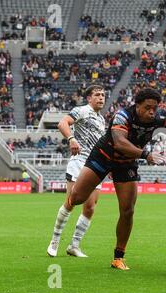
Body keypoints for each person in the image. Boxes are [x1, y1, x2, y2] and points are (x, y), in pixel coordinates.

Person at [67, 88, 166, 270]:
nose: (151, 112)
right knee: (77, 199)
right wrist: (146, 154)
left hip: (126, 164)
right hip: (103, 157)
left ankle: (118, 257)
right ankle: (69, 201)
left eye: (155, 108)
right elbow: (120, 143)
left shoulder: (158, 120)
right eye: (147, 107)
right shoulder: (122, 116)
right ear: (137, 105)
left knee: (128, 210)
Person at [47, 85, 106, 258]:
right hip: (79, 162)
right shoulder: (81, 111)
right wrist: (71, 138)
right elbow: (62, 123)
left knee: (90, 208)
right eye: (97, 95)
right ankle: (55, 240)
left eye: (103, 95)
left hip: (96, 165)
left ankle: (74, 245)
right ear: (89, 98)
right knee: (71, 202)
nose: (101, 98)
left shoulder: (101, 119)